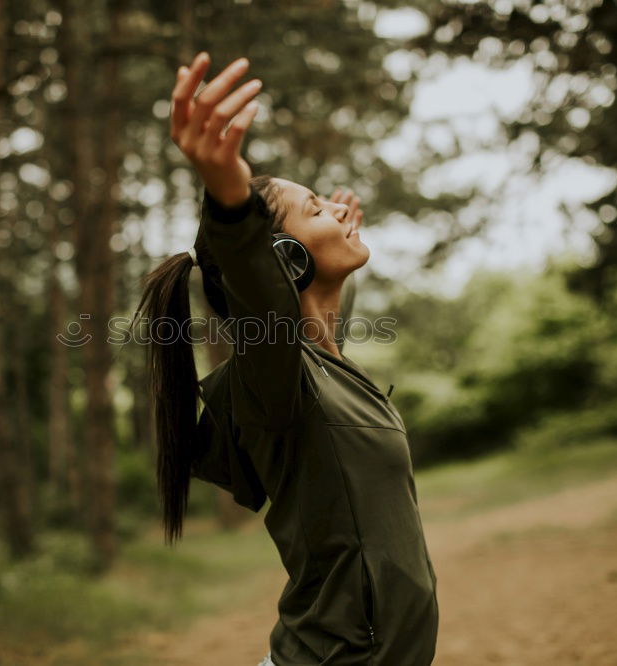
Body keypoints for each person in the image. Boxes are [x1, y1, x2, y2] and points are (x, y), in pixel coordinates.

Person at [134, 51, 439, 665]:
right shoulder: (272, 378)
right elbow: (260, 289)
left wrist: (329, 259)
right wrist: (227, 194)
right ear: (285, 261)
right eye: (315, 209)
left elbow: (312, 319)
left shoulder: (326, 369)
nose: (336, 209)